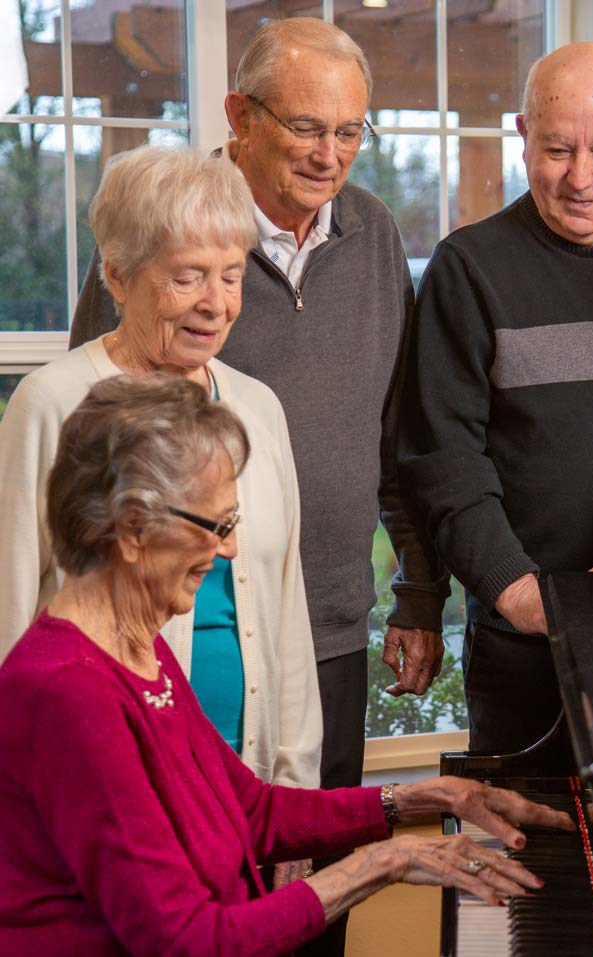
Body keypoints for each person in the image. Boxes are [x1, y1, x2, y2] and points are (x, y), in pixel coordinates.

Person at [0, 374, 574, 956]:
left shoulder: (134, 650)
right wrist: (384, 862)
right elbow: (188, 942)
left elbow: (249, 811)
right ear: (130, 530)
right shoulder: (68, 692)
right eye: (217, 525)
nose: (228, 549)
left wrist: (423, 798)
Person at [67, 18, 447, 797]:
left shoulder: (372, 231)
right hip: (175, 629)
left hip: (329, 625)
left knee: (318, 853)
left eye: (349, 131)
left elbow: (396, 434)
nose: (328, 154)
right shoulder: (166, 227)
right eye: (306, 127)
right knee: (181, 856)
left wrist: (417, 588)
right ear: (240, 116)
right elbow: (89, 437)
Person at [0, 146, 323, 884]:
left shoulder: (257, 409)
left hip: (242, 785)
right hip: (96, 796)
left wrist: (293, 789)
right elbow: (10, 613)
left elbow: (285, 612)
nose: (216, 302)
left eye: (231, 275)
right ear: (118, 276)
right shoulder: (52, 405)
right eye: (187, 277)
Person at [399, 43, 593, 754]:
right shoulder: (468, 269)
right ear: (522, 135)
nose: (580, 178)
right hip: (528, 640)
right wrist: (516, 592)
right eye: (556, 150)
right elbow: (443, 459)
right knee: (532, 825)